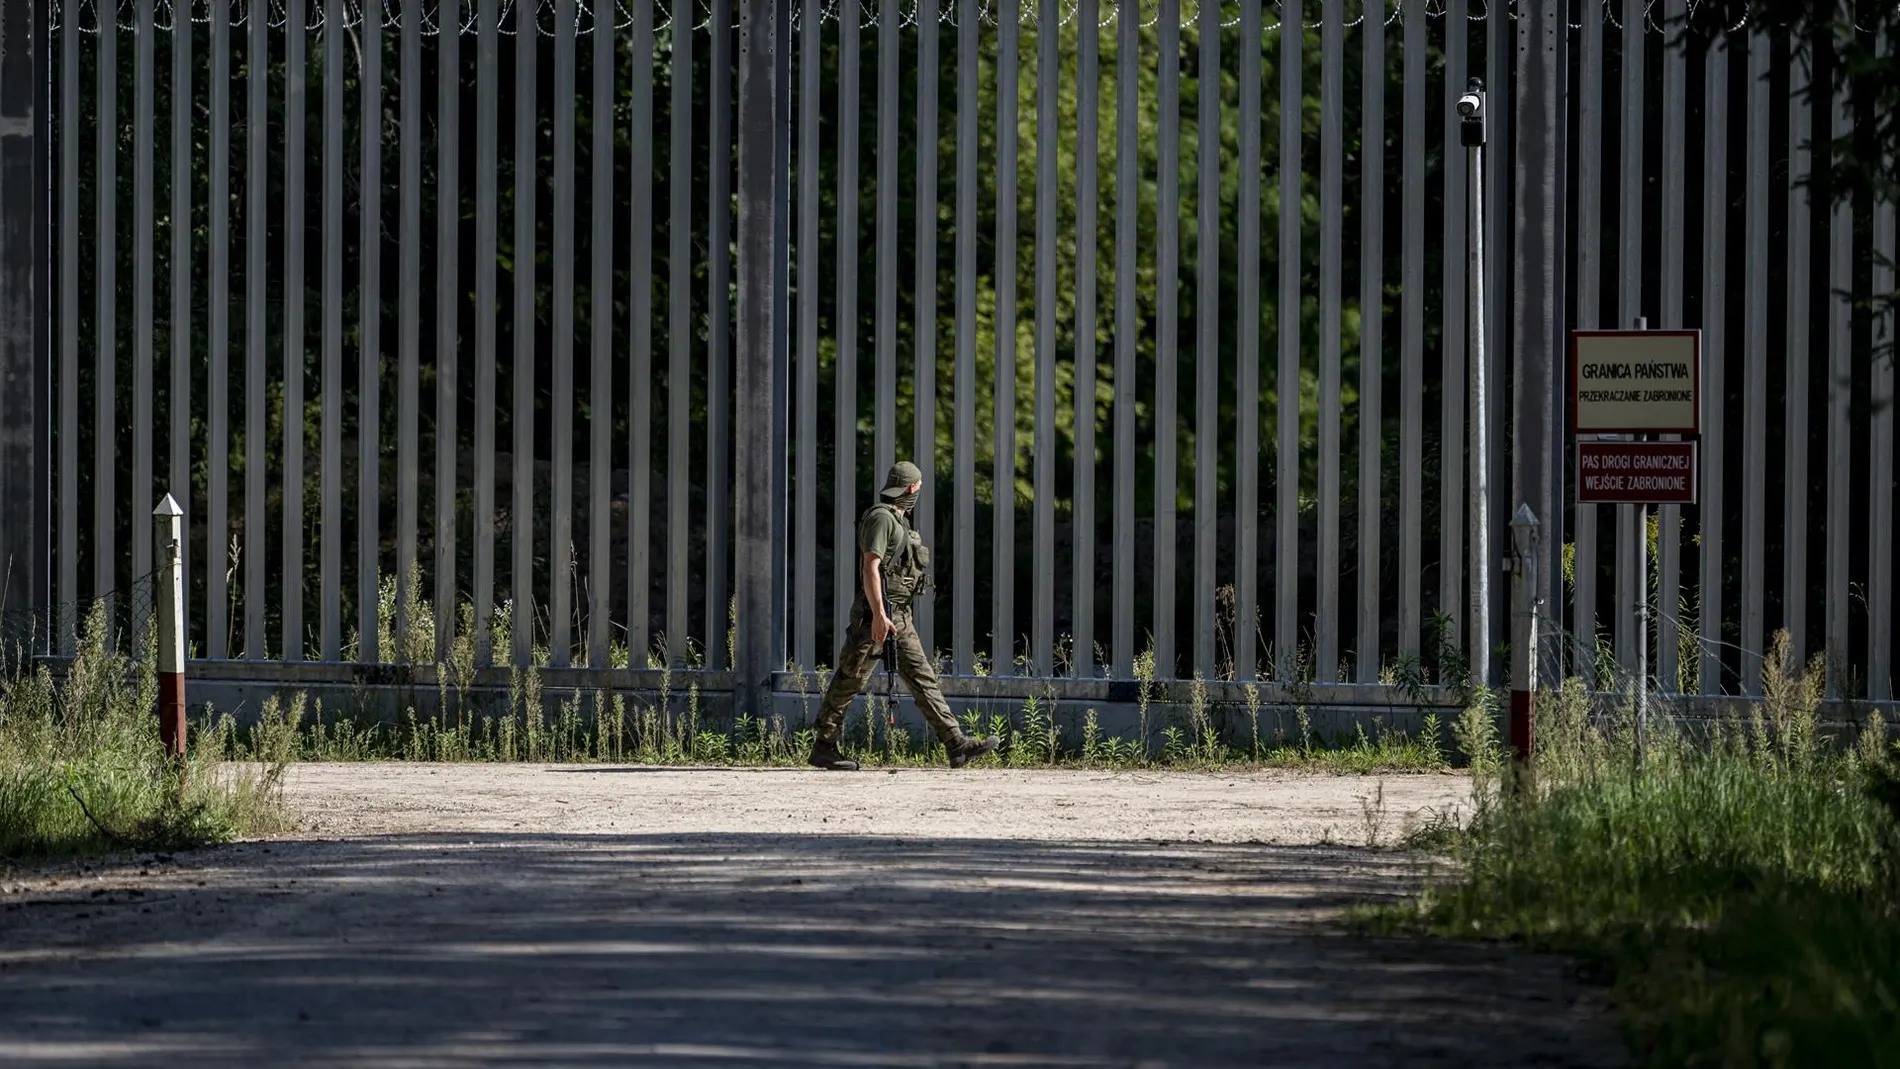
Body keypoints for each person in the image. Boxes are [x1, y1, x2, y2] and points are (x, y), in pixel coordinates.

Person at [808, 461, 999, 771]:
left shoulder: (899, 521)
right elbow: (870, 567)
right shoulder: (882, 519)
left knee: (923, 678)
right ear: (912, 489)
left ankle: (956, 744)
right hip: (875, 618)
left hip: (898, 616)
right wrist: (879, 616)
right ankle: (824, 747)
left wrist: (895, 616)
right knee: (850, 679)